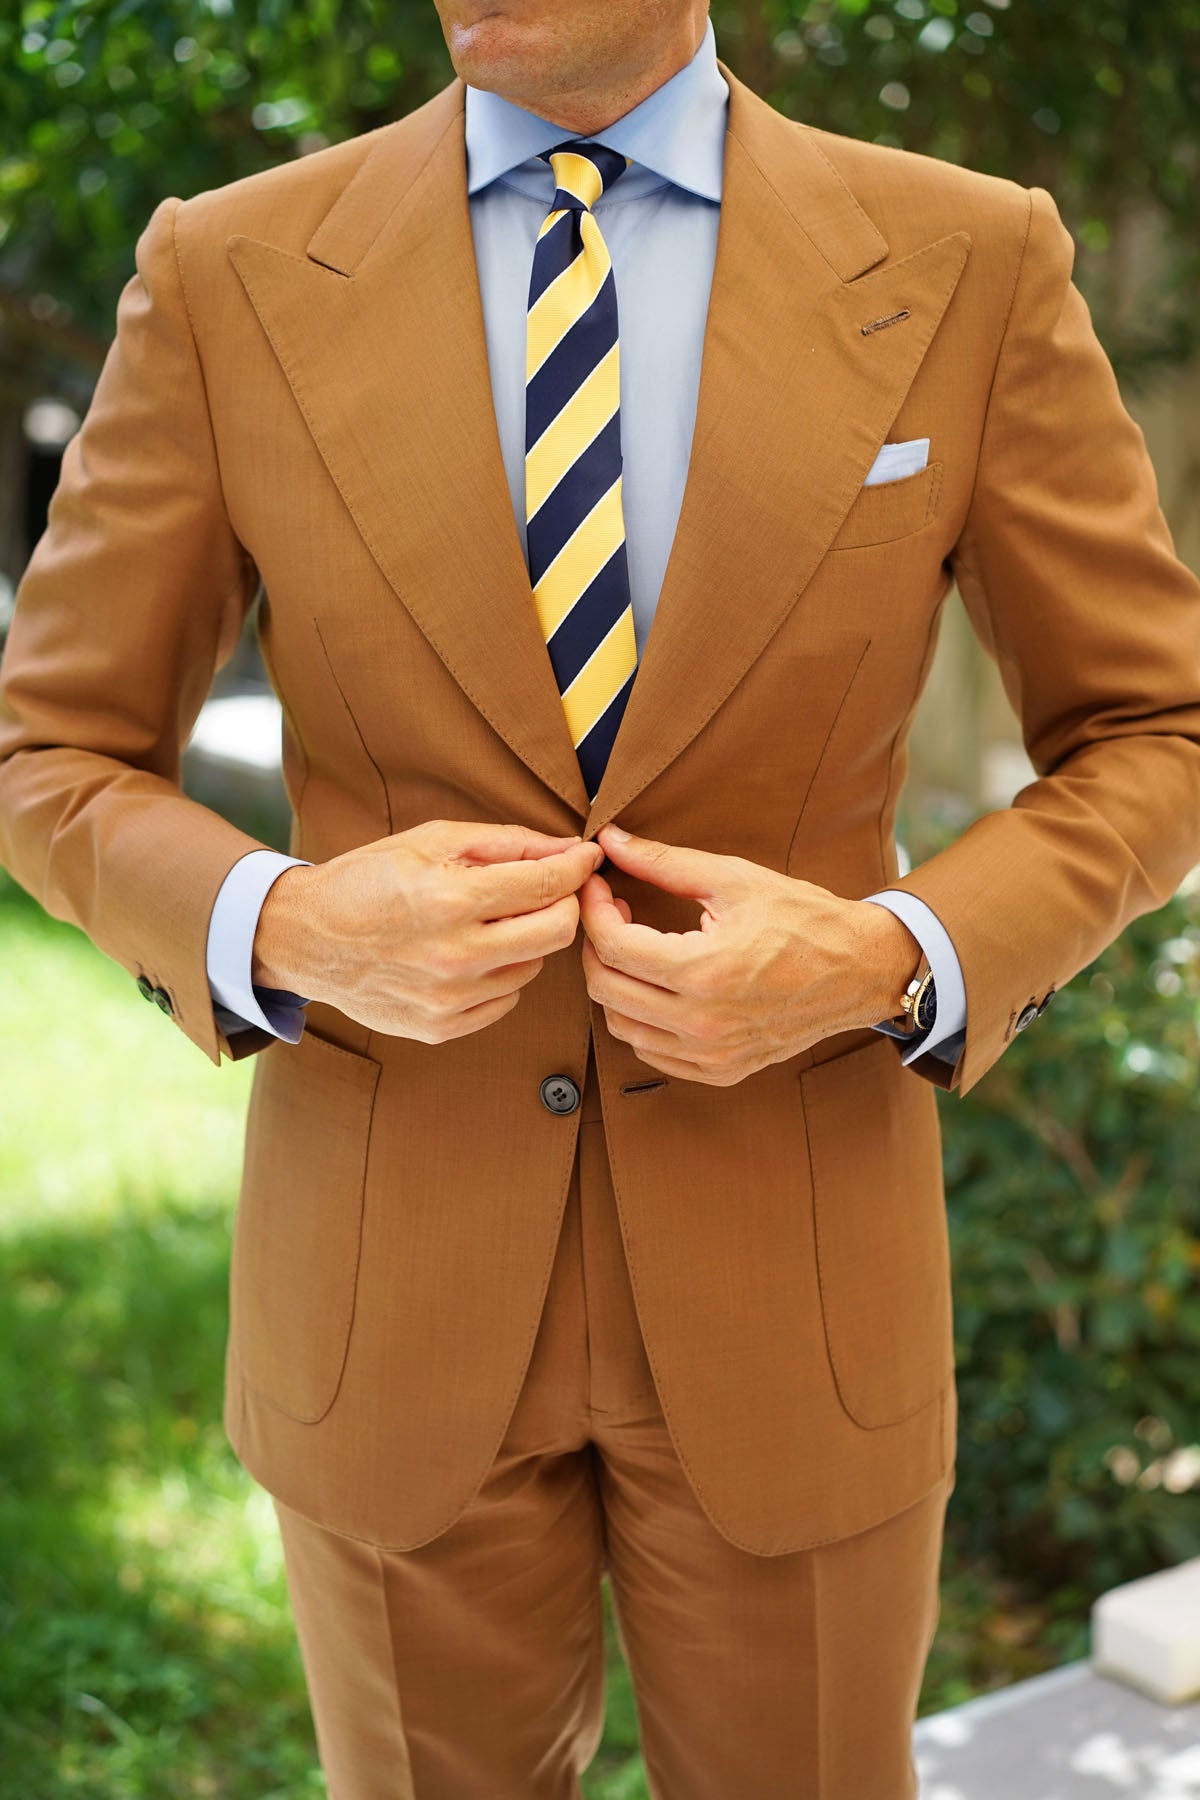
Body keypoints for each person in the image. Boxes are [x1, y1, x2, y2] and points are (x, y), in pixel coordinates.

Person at [2, 0, 1199, 1793]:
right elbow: (52, 754)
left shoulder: (969, 257)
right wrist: (280, 925)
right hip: (386, 1301)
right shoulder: (231, 269)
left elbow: (1154, 726)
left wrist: (896, 956)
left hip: (799, 1282)